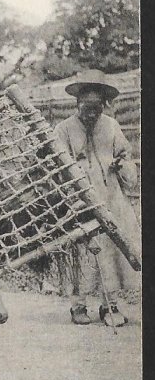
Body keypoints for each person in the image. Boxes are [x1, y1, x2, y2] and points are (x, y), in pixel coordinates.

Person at [53, 70, 140, 327]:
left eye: (97, 108)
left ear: (104, 106)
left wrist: (120, 165)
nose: (92, 114)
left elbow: (127, 160)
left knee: (112, 249)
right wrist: (72, 191)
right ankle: (78, 305)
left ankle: (109, 305)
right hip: (78, 200)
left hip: (110, 197)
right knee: (82, 250)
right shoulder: (63, 129)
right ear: (77, 104)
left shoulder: (112, 127)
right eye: (86, 108)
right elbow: (57, 166)